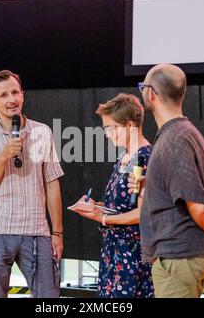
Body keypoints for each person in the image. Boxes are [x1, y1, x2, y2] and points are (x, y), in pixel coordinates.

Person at [129, 64, 204, 298]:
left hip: (178, 257)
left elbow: (198, 206)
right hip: (178, 256)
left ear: (151, 93)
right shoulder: (181, 134)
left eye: (142, 87)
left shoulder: (176, 140)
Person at [0, 69, 64, 298]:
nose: (11, 99)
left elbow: (52, 183)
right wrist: (3, 156)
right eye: (3, 95)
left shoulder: (41, 131)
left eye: (15, 92)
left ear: (22, 95)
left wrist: (58, 232)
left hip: (36, 231)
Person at [72, 93, 154, 298]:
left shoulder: (146, 157)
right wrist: (97, 206)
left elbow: (142, 213)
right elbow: (122, 204)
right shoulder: (123, 157)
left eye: (111, 128)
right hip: (115, 248)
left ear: (129, 124)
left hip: (133, 252)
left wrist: (104, 218)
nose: (107, 134)